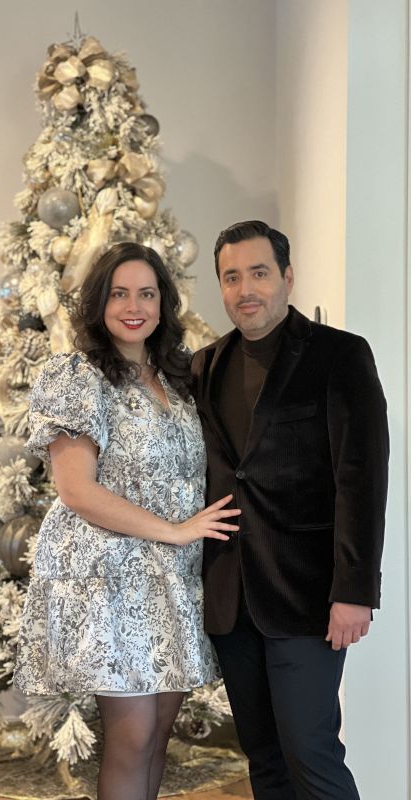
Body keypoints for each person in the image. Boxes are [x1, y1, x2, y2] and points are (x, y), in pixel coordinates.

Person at [14, 241, 240, 800]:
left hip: (173, 580)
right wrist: (176, 530)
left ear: (164, 303)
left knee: (158, 734)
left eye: (146, 293)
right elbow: (76, 490)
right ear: (99, 303)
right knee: (132, 736)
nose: (133, 306)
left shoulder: (178, 380)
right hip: (112, 580)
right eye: (119, 294)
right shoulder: (78, 375)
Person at [191, 220, 389, 800]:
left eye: (258, 273)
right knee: (265, 760)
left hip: (308, 597)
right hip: (231, 598)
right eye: (231, 277)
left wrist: (354, 590)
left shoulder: (339, 355)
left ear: (287, 277)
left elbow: (361, 478)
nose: (245, 289)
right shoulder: (204, 367)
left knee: (312, 755)